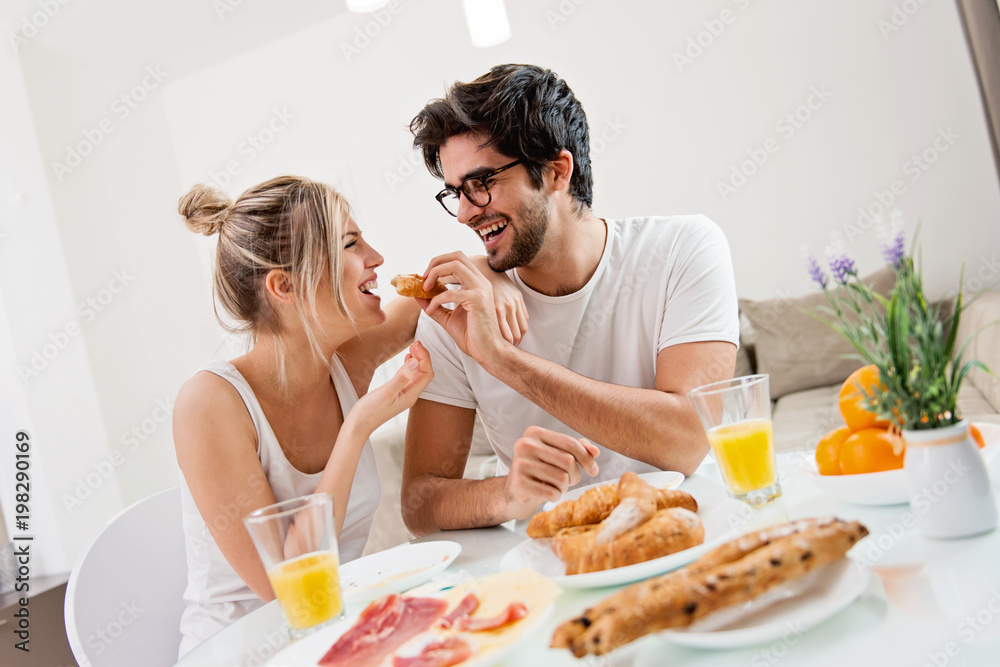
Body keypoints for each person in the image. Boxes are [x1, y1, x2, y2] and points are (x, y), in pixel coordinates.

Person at [173, 175, 525, 654]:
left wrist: (492, 280)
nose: (376, 258)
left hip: (332, 641)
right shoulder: (210, 404)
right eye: (351, 244)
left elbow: (435, 290)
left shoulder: (346, 362)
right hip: (245, 652)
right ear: (285, 285)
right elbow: (288, 590)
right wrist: (359, 424)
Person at [401, 64, 740, 536]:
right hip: (553, 561)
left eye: (482, 184)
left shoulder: (683, 249)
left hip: (688, 530)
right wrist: (508, 494)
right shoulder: (457, 309)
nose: (463, 213)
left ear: (557, 171)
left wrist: (502, 359)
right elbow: (420, 503)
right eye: (456, 193)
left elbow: (688, 441)